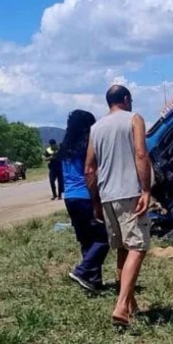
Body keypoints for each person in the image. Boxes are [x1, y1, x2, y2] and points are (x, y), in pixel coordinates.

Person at [85, 85, 152, 328]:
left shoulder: (96, 128)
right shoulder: (134, 119)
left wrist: (95, 201)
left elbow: (89, 169)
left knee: (123, 248)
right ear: (126, 99)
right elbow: (141, 154)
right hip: (129, 192)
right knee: (138, 246)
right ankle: (121, 306)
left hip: (106, 196)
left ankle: (130, 304)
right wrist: (146, 190)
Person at [60, 110, 110, 293]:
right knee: (104, 238)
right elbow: (91, 173)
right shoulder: (88, 145)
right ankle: (82, 271)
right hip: (85, 196)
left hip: (70, 198)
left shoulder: (64, 147)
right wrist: (97, 201)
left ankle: (93, 281)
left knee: (86, 240)